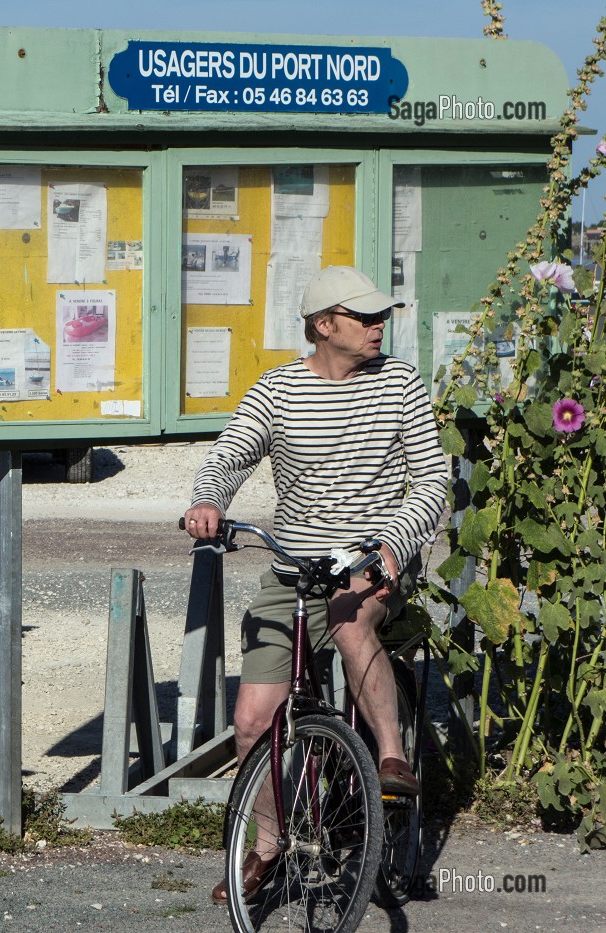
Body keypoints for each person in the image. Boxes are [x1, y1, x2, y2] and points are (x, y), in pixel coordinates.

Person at [182, 265, 447, 906]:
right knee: (251, 721)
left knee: (352, 622)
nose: (379, 325)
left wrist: (390, 548)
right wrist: (208, 503)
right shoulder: (278, 390)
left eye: (382, 315)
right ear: (324, 325)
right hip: (293, 570)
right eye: (364, 317)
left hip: (369, 565)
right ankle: (266, 849)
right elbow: (230, 454)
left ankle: (391, 759)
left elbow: (432, 481)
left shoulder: (400, 384)